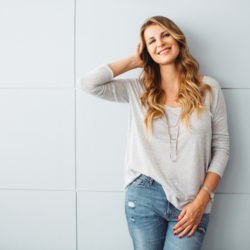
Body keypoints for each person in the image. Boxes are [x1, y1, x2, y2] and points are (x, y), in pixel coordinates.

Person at [78, 15, 230, 250]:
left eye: (165, 35)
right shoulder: (138, 90)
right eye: (151, 41)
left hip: (192, 198)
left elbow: (221, 149)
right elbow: (88, 84)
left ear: (178, 38)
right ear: (145, 50)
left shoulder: (209, 88)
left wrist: (203, 199)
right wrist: (134, 61)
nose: (160, 43)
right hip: (144, 195)